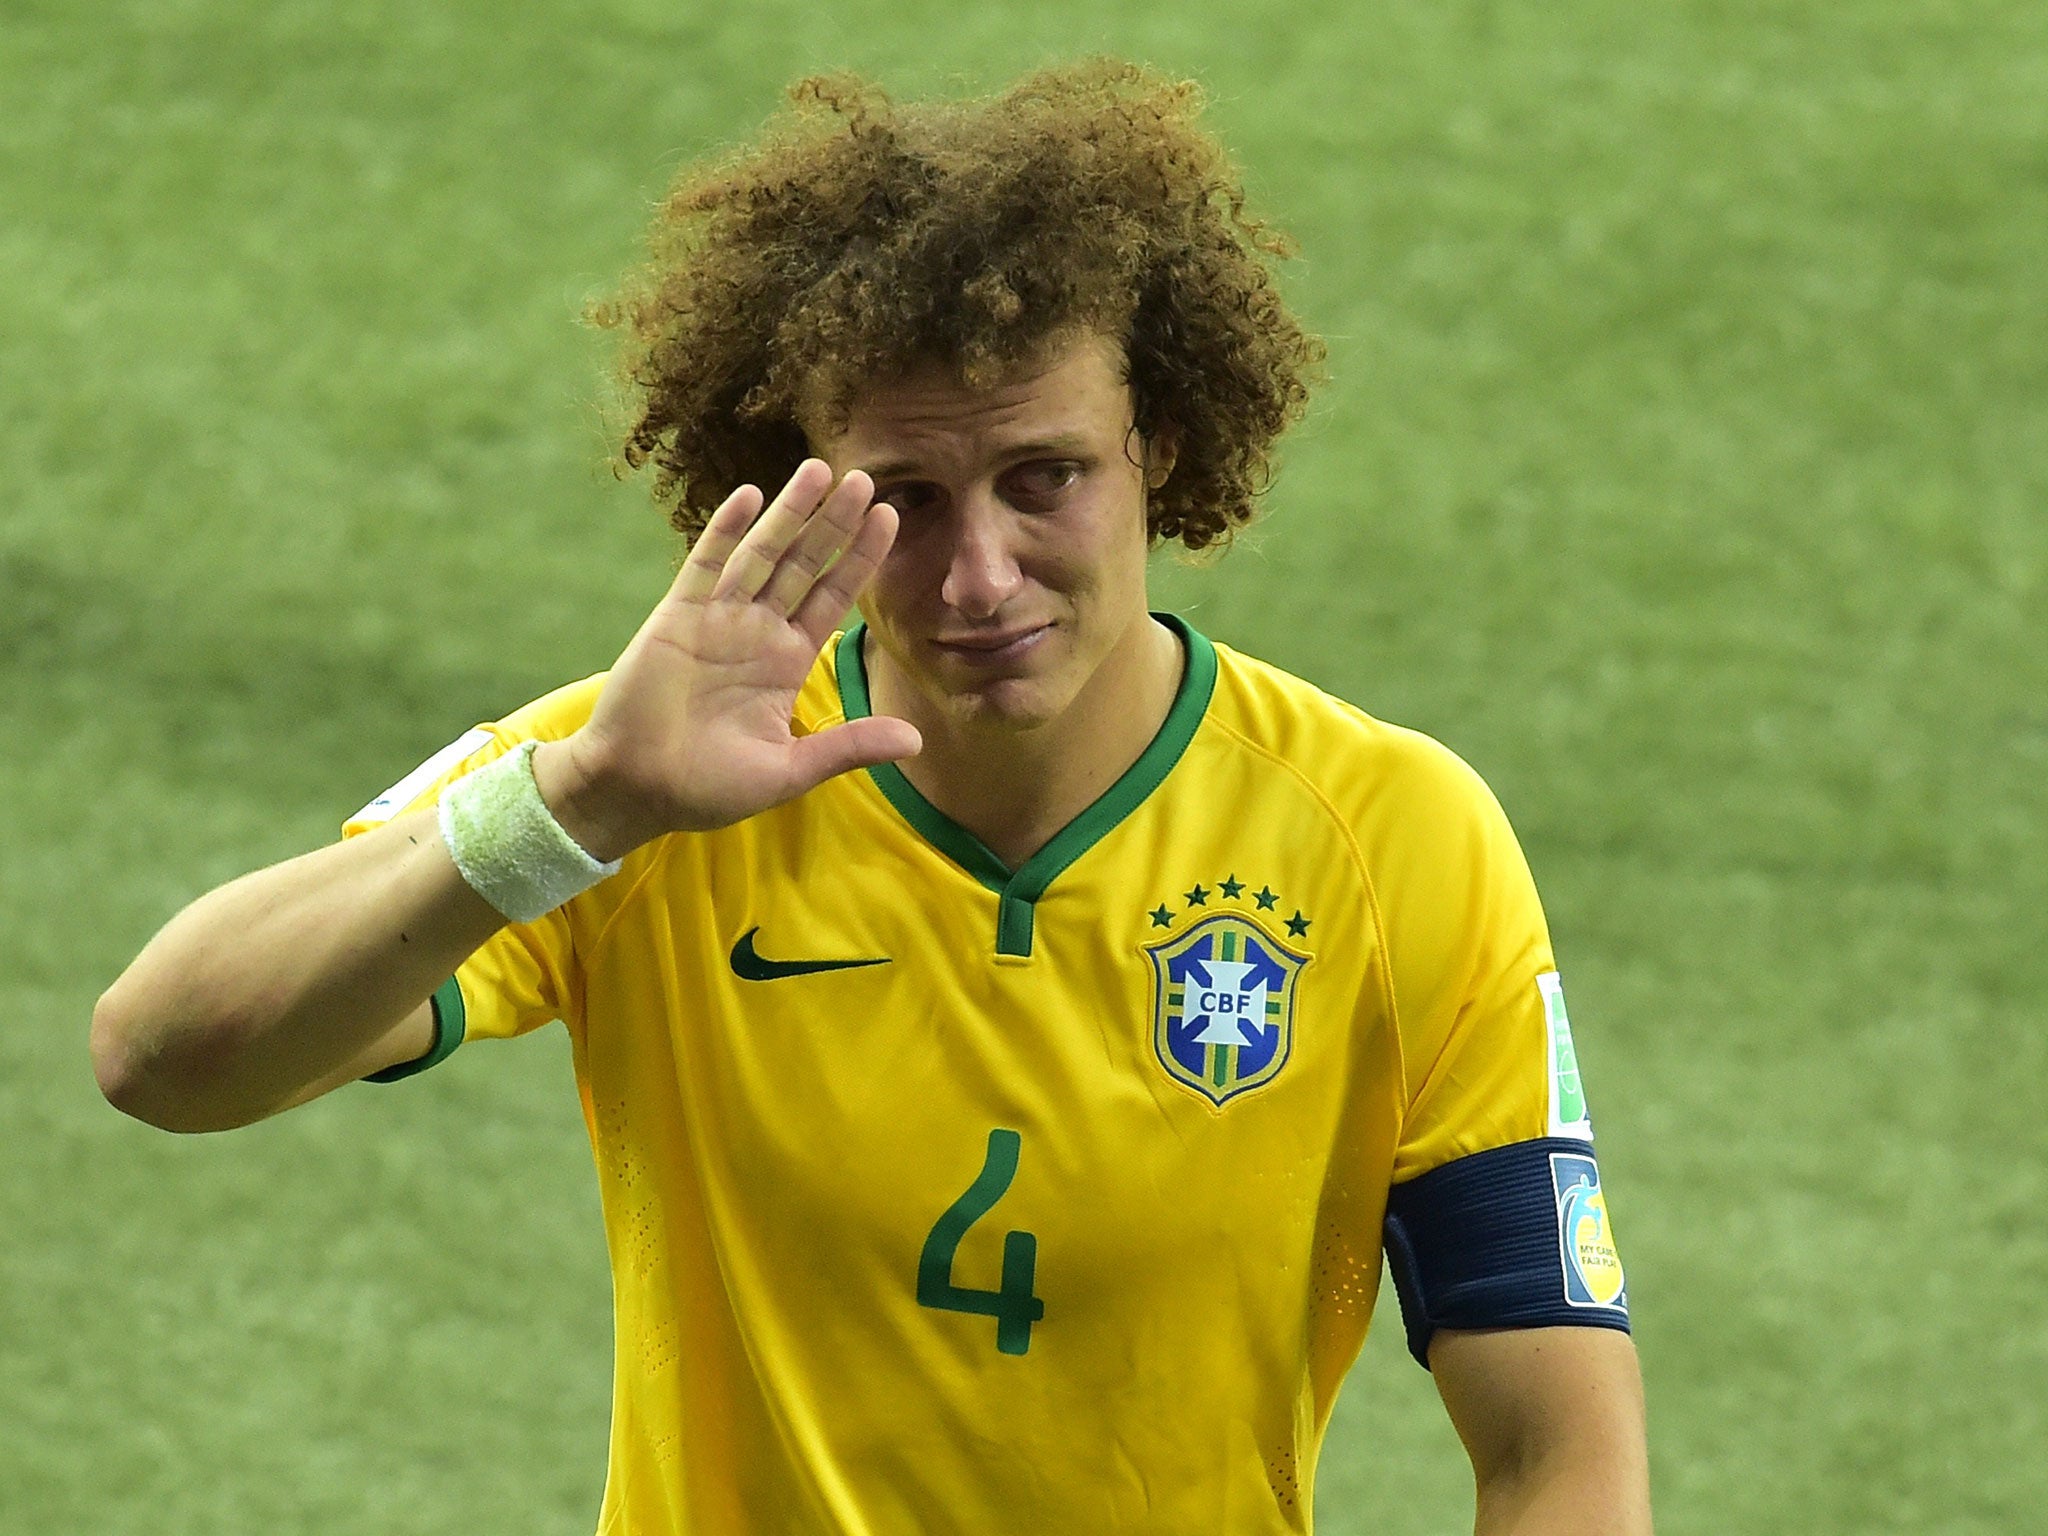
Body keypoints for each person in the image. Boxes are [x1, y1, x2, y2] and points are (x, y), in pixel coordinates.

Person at [92, 60, 1651, 1535]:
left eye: (1046, 478)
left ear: (1159, 446)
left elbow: (1557, 1444)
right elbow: (164, 1055)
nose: (979, 576)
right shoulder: (642, 776)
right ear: (791, 483)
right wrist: (576, 801)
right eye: (903, 499)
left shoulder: (1395, 840)